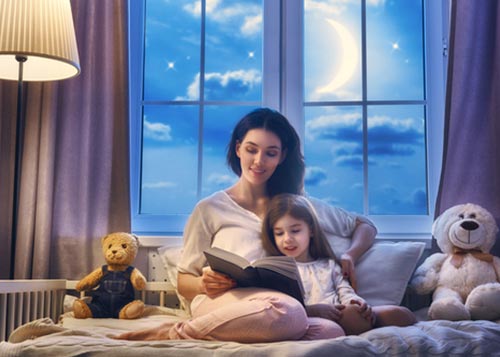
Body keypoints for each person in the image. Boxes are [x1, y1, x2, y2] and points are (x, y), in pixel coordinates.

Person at [115, 107, 378, 342]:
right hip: (222, 302)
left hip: (280, 307)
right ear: (238, 148)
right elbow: (185, 280)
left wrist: (349, 255)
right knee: (291, 313)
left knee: (330, 331)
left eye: (270, 153)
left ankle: (274, 323)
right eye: (251, 149)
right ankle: (177, 333)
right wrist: (203, 284)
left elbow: (363, 225)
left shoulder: (296, 205)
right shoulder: (210, 209)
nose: (258, 161)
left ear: (282, 156)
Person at [262, 193, 417, 335]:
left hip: (341, 313)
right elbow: (280, 307)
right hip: (308, 318)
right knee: (348, 320)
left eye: (295, 231)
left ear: (311, 230)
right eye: (279, 233)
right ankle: (357, 324)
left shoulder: (328, 265)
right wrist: (312, 311)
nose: (287, 239)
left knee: (401, 313)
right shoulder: (279, 270)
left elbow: (345, 291)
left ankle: (363, 320)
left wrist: (358, 303)